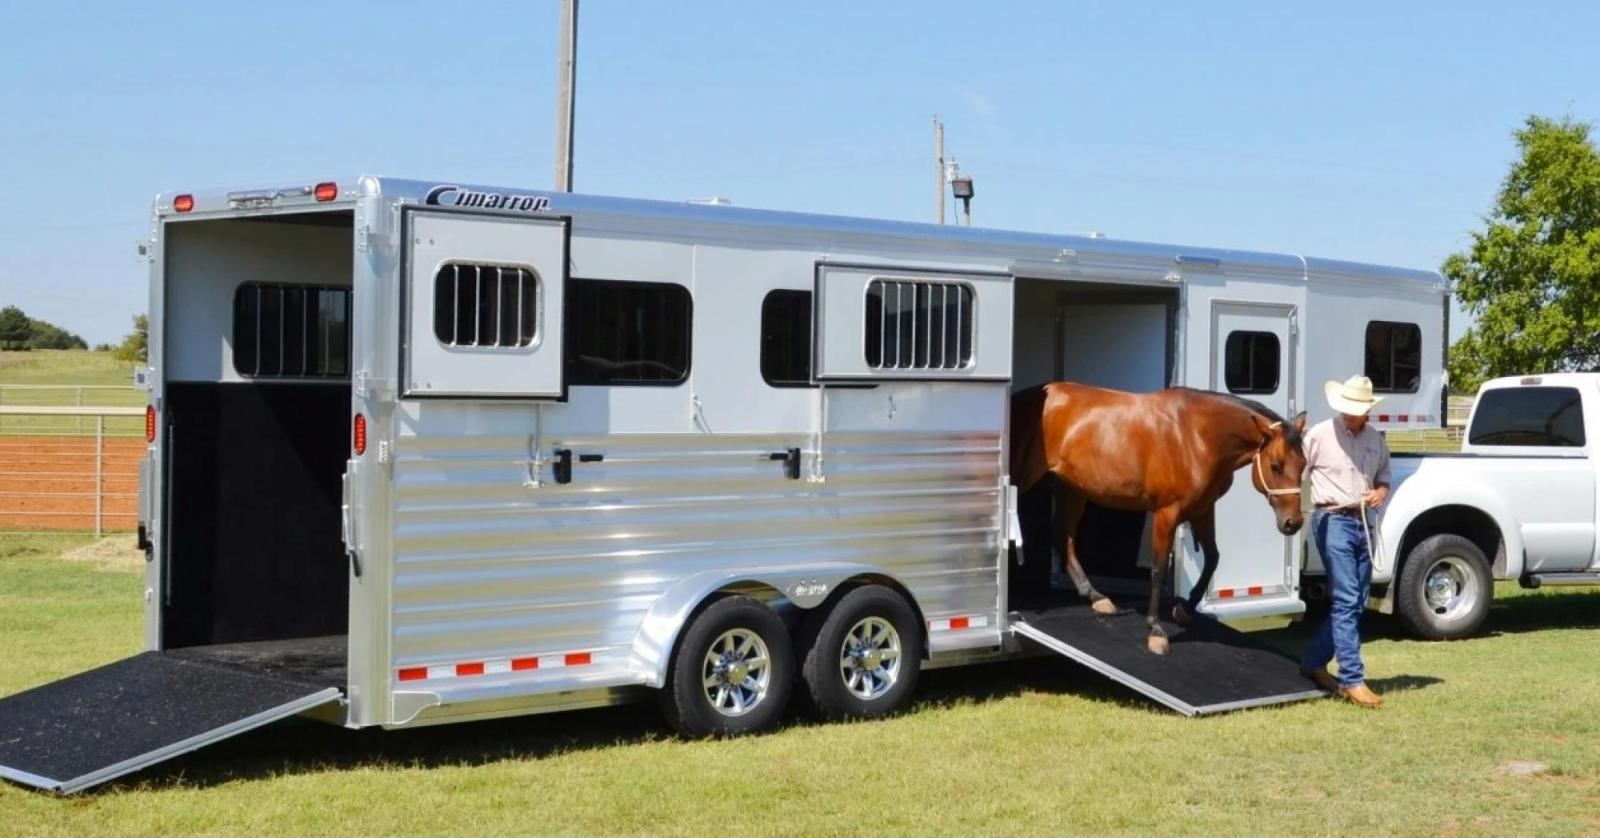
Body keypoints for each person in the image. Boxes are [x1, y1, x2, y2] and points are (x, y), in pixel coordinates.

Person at [1300, 375, 1391, 708]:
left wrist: (1380, 493)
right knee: (1348, 597)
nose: (1354, 415)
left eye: (1359, 410)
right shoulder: (1318, 435)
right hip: (1333, 519)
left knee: (1357, 599)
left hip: (1364, 521)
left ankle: (1313, 662)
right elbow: (1296, 471)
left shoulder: (1375, 440)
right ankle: (1352, 678)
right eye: (1349, 410)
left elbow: (1384, 479)